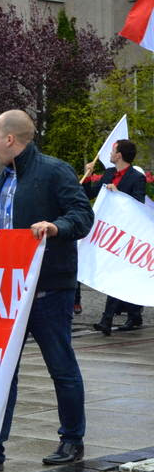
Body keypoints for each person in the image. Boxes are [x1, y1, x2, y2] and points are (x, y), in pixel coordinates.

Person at [0, 110, 93, 472]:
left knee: (60, 366)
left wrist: (56, 227)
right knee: (1, 371)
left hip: (49, 288)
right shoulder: (2, 181)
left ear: (10, 139)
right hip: (10, 292)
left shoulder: (54, 171)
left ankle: (72, 440)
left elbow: (83, 216)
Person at [83, 139, 147, 335]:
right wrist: (88, 176)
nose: (110, 154)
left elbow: (139, 204)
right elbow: (90, 194)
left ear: (119, 155)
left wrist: (119, 194)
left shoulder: (137, 177)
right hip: (107, 232)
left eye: (113, 151)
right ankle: (133, 315)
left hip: (125, 232)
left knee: (118, 273)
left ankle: (107, 319)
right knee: (117, 273)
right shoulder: (109, 173)